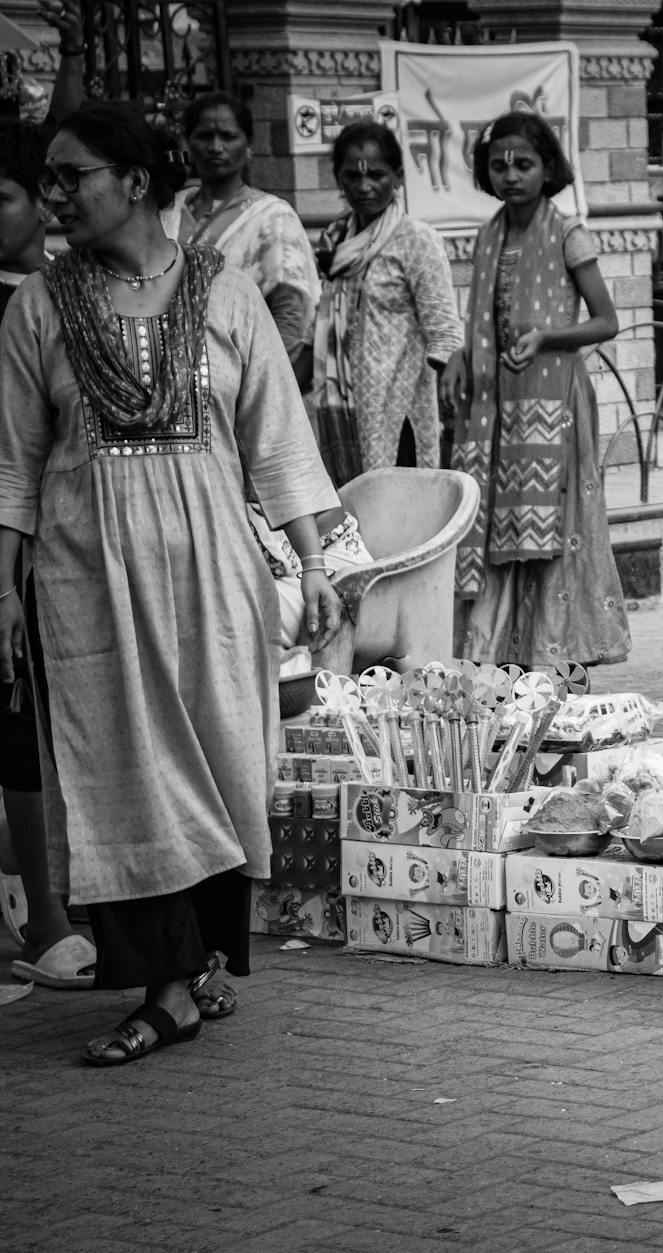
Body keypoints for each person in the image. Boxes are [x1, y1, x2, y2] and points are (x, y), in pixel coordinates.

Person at [0, 103, 342, 1063]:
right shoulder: (38, 305)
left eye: (75, 176)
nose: (57, 195)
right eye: (50, 179)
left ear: (136, 182)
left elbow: (275, 442)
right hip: (86, 579)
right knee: (125, 770)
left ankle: (196, 963)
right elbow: (14, 467)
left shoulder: (227, 295)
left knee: (220, 757)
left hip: (209, 572)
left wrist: (315, 564)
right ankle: (167, 989)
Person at [451, 112, 631, 668]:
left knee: (558, 529)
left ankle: (559, 657)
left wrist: (546, 337)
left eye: (524, 164)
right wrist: (462, 356)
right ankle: (504, 659)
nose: (510, 175)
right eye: (498, 165)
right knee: (499, 531)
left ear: (547, 168)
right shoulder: (488, 235)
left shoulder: (567, 231)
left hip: (553, 402)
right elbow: (483, 318)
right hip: (495, 406)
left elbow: (606, 321)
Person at [0, 119, 93, 991]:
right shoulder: (25, 303)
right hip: (12, 536)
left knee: (27, 728)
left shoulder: (59, 295)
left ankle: (54, 908)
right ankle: (34, 916)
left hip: (40, 544)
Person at [308, 121, 461, 486]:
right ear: (338, 179)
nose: (364, 187)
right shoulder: (333, 241)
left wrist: (450, 405)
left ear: (398, 176)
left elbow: (444, 331)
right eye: (352, 176)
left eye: (376, 175)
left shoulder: (416, 240)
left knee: (397, 513)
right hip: (340, 403)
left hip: (397, 406)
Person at [180, 91, 320, 381]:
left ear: (248, 147)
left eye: (228, 137)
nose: (216, 147)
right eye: (205, 136)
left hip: (240, 379)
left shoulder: (271, 218)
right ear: (187, 144)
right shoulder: (170, 214)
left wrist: (258, 382)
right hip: (173, 378)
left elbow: (291, 314)